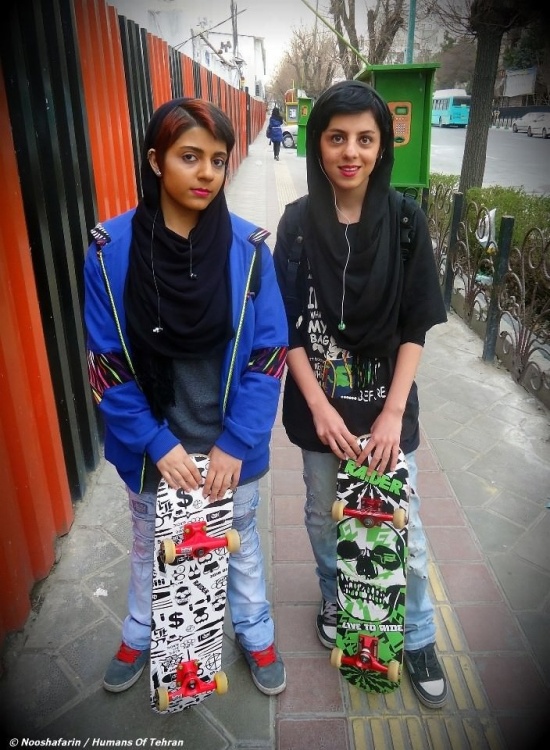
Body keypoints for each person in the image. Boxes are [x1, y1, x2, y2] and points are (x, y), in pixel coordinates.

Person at [84, 98, 288, 697]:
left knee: (239, 543)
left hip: (230, 445)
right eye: (189, 157)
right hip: (154, 447)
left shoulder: (249, 250)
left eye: (218, 161)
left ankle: (254, 630)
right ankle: (140, 630)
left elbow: (268, 355)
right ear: (156, 161)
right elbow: (105, 363)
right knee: (151, 544)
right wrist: (155, 442)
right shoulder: (109, 250)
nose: (207, 173)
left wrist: (237, 442)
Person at [273, 80, 448, 709]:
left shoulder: (405, 221)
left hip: (387, 411)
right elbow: (286, 326)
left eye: (365, 139)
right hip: (320, 412)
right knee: (325, 516)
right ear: (317, 144)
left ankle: (418, 635)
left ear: (382, 147)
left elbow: (416, 324)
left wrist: (393, 414)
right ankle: (335, 598)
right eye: (337, 137)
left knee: (406, 530)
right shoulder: (296, 223)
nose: (351, 152)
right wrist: (320, 407)